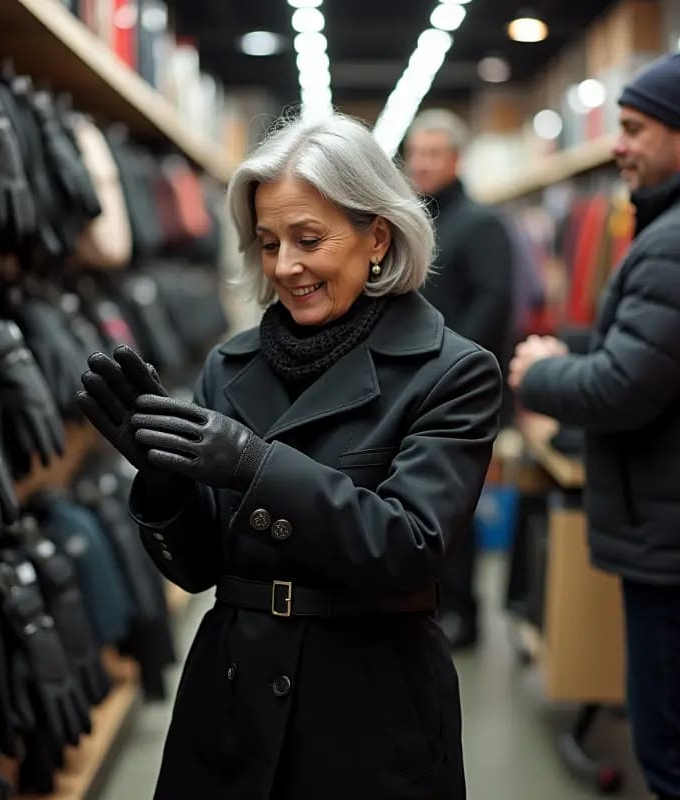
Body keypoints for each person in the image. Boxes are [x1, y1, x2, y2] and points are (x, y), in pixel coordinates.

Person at [77, 112, 502, 800]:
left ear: (377, 237)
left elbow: (409, 547)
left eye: (309, 239)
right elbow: (197, 570)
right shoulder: (231, 363)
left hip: (370, 713)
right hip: (230, 706)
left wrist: (254, 464)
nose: (285, 267)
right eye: (269, 242)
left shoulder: (453, 372)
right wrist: (163, 483)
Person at [508, 51, 680, 800]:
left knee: (675, 754)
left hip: (675, 545)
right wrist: (577, 347)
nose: (619, 145)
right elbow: (665, 351)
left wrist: (541, 374)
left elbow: (626, 385)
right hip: (677, 529)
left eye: (634, 128)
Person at [405, 109, 513, 648]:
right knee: (423, 500)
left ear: (455, 159)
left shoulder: (481, 223)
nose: (421, 164)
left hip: (461, 388)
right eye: (415, 154)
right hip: (416, 386)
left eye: (432, 155)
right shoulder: (414, 221)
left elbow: (493, 305)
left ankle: (464, 614)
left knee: (457, 500)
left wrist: (450, 369)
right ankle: (434, 605)